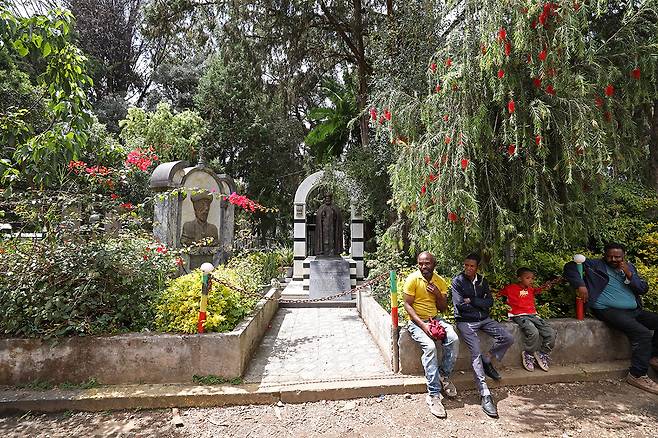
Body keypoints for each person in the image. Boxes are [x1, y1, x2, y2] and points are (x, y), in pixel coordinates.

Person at [563, 242, 658, 394]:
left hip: (634, 310)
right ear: (604, 255)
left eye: (617, 257)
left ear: (623, 256)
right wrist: (580, 285)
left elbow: (642, 289)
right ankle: (637, 375)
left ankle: (654, 358)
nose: (613, 259)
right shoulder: (594, 265)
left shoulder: (629, 267)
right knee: (642, 333)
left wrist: (629, 274)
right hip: (607, 310)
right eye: (610, 256)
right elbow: (570, 267)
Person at [452, 253, 514, 418]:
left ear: (477, 267)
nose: (468, 268)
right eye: (466, 265)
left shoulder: (482, 281)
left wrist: (472, 300)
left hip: (484, 320)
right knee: (475, 353)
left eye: (471, 266)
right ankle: (485, 393)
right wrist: (480, 303)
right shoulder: (458, 281)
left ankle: (488, 359)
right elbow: (460, 305)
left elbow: (490, 302)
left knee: (508, 338)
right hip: (466, 322)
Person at [403, 251, 460, 419]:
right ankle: (433, 395)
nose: (423, 266)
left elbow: (443, 308)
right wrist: (423, 326)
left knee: (453, 339)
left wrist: (437, 294)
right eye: (420, 263)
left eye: (427, 263)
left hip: (435, 319)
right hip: (416, 322)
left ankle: (444, 375)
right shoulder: (413, 279)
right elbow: (407, 305)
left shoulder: (440, 281)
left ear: (434, 264)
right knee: (430, 347)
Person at [499, 267, 557, 372]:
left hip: (533, 315)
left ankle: (542, 353)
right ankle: (528, 354)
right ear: (519, 278)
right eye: (527, 278)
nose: (531, 280)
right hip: (519, 316)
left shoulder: (530, 289)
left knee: (551, 332)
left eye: (532, 278)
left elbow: (538, 290)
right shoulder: (510, 288)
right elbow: (496, 294)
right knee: (534, 332)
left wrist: (548, 285)